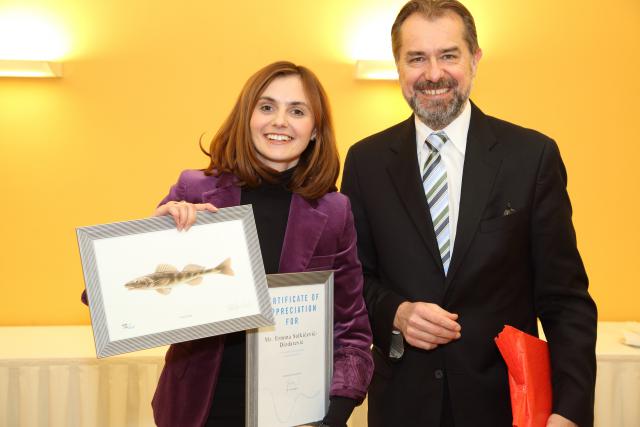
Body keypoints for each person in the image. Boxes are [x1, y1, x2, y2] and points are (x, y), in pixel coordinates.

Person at [340, 1, 597, 427]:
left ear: (475, 59)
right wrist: (395, 312)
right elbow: (352, 283)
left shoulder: (531, 157)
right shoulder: (365, 162)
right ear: (399, 66)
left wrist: (567, 411)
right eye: (417, 58)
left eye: (449, 55)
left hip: (505, 408)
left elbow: (565, 299)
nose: (433, 73)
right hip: (403, 408)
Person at [110, 61, 372, 427]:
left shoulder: (335, 211)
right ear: (247, 118)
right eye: (267, 107)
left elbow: (351, 331)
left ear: (314, 131)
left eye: (297, 111)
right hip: (200, 410)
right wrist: (147, 240)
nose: (280, 120)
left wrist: (335, 413)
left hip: (296, 411)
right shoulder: (195, 191)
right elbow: (118, 303)